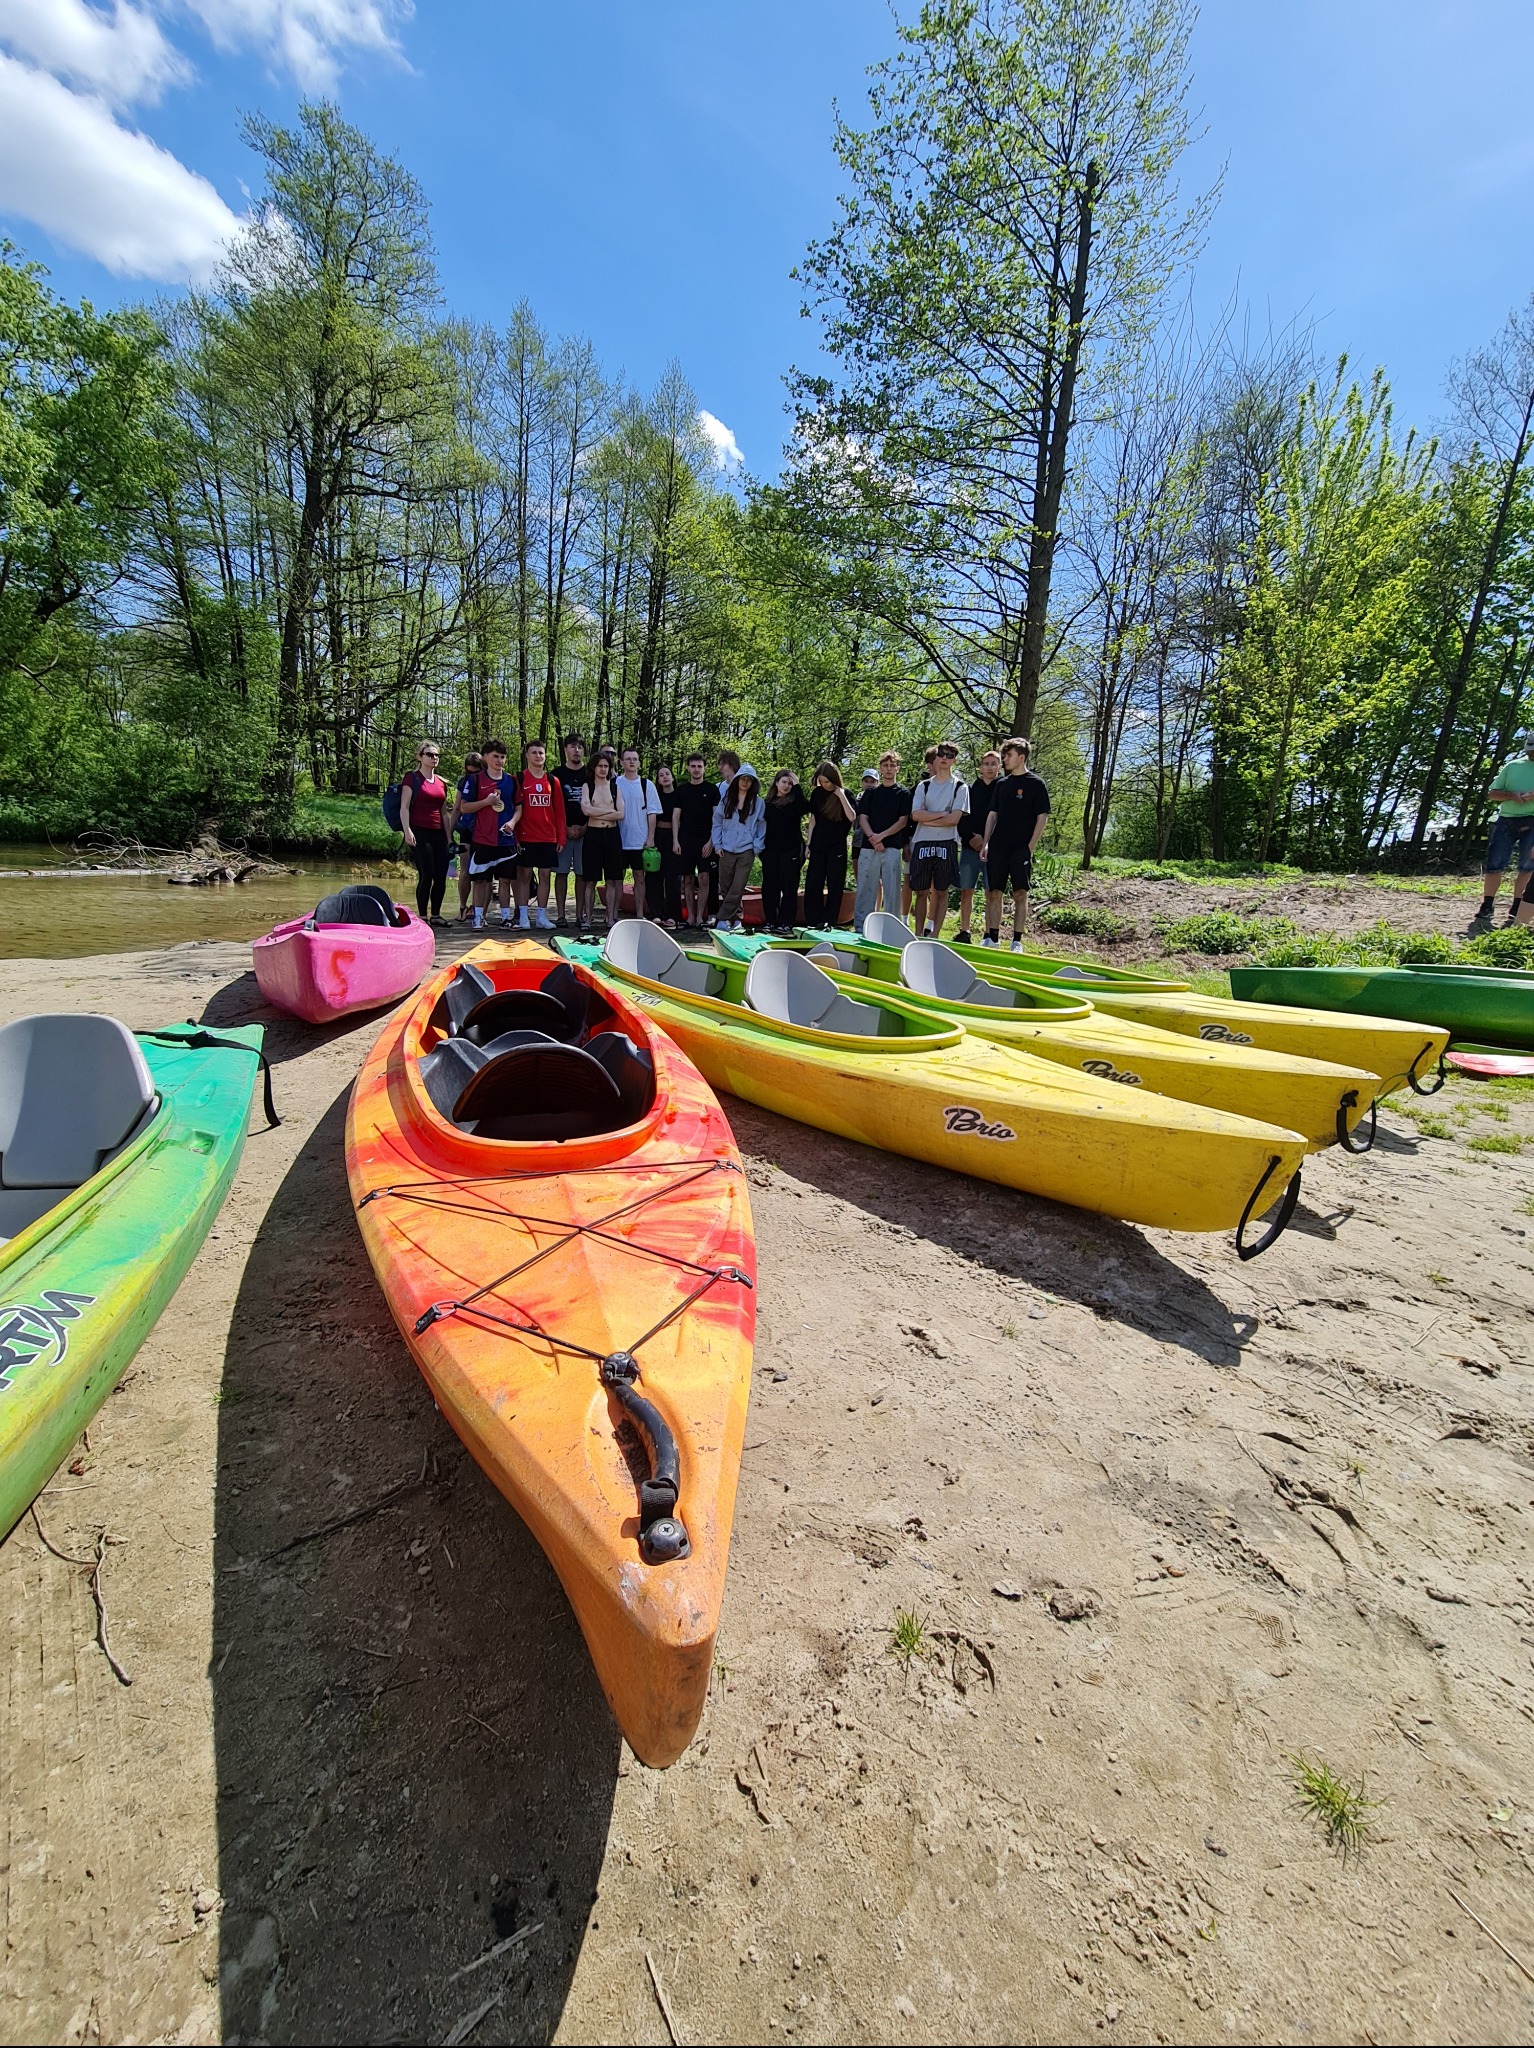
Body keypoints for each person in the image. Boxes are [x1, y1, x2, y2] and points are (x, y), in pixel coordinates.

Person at [980, 736, 1051, 948]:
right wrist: (985, 843)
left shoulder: (1036, 784)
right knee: (994, 893)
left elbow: (1042, 817)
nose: (1004, 759)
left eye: (1008, 755)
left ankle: (1017, 941)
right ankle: (992, 938)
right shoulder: (1001, 784)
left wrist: (1030, 847)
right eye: (1004, 754)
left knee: (1020, 893)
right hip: (998, 847)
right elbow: (992, 815)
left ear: (1021, 758)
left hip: (1021, 849)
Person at [908, 741, 969, 942]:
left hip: (947, 843)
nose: (945, 758)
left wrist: (930, 817)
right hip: (922, 842)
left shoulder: (960, 787)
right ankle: (918, 935)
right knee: (921, 891)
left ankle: (934, 936)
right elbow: (916, 815)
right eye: (942, 754)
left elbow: (954, 820)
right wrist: (942, 814)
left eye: (950, 755)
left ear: (955, 760)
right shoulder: (923, 786)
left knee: (941, 891)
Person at [1474, 731, 1534, 927]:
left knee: (1527, 867)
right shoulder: (1513, 766)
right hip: (1506, 820)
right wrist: (1512, 795)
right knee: (1494, 865)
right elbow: (1492, 794)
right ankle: (1487, 904)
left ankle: (1517, 906)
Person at [462, 740, 522, 931]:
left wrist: (512, 823)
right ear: (486, 756)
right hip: (482, 838)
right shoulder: (475, 780)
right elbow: (464, 807)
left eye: (503, 757)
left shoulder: (511, 780)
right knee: (481, 880)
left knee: (505, 880)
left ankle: (505, 918)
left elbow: (519, 808)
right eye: (495, 756)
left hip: (506, 839)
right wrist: (486, 802)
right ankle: (478, 918)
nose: (499, 760)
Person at [511, 739, 566, 930]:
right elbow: (514, 810)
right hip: (526, 836)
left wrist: (561, 837)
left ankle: (542, 916)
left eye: (541, 753)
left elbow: (559, 812)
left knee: (545, 875)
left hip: (548, 837)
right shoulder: (518, 779)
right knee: (524, 876)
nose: (538, 756)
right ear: (527, 755)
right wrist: (515, 838)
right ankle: (523, 916)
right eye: (534, 752)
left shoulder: (553, 781)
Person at [853, 752, 911, 933]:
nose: (888, 769)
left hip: (892, 847)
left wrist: (881, 837)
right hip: (869, 848)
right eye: (885, 766)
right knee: (865, 888)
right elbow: (862, 818)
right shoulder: (871, 794)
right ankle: (862, 927)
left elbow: (902, 821)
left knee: (892, 890)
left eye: (892, 766)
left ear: (897, 769)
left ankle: (891, 929)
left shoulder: (903, 793)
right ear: (881, 768)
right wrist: (873, 837)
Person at [399, 741, 450, 923]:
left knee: (441, 875)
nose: (434, 758)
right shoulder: (412, 778)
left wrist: (449, 838)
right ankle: (422, 916)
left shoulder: (441, 783)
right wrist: (407, 831)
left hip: (439, 834)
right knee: (426, 874)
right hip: (419, 831)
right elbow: (404, 807)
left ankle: (435, 915)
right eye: (429, 754)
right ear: (420, 757)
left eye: (436, 755)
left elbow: (444, 812)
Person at [803, 764, 857, 928]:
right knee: (813, 883)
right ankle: (813, 920)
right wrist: (808, 843)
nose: (824, 785)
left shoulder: (846, 794)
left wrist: (840, 796)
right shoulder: (817, 794)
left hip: (836, 846)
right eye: (821, 782)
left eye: (827, 782)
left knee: (835, 884)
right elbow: (813, 820)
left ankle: (830, 920)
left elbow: (852, 817)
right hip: (818, 844)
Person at [957, 749, 1002, 943]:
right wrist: (971, 838)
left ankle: (989, 934)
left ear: (1000, 767)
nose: (990, 767)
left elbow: (1005, 819)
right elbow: (961, 817)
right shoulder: (969, 789)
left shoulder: (1003, 789)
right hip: (970, 848)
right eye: (986, 764)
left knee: (991, 892)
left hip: (995, 850)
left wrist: (988, 842)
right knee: (967, 890)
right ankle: (965, 931)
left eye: (994, 763)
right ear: (980, 767)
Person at [712, 770, 765, 932]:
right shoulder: (727, 800)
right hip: (726, 849)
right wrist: (717, 844)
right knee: (726, 887)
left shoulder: (758, 803)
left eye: (749, 780)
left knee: (738, 886)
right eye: (743, 779)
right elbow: (717, 822)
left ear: (753, 783)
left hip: (746, 850)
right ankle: (736, 920)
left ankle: (721, 919)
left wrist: (756, 847)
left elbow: (761, 825)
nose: (745, 782)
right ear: (737, 780)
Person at [579, 750, 626, 930]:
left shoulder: (615, 788)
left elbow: (621, 814)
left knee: (612, 879)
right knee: (590, 879)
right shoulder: (587, 786)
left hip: (612, 836)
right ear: (593, 767)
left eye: (606, 766)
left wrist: (596, 811)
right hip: (593, 834)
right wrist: (608, 813)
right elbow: (586, 810)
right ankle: (588, 919)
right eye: (600, 766)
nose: (603, 769)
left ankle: (610, 918)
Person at [672, 752, 718, 929]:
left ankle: (700, 917)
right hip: (685, 840)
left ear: (704, 768)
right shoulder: (682, 790)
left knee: (705, 878)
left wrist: (711, 841)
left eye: (700, 766)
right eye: (693, 766)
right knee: (688, 880)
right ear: (688, 767)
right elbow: (676, 817)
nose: (696, 769)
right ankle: (690, 917)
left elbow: (717, 818)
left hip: (706, 841)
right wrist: (675, 840)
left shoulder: (712, 790)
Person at [761, 769, 810, 931]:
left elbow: (805, 808)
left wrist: (797, 786)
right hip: (770, 851)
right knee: (770, 886)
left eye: (790, 783)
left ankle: (786, 922)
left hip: (792, 850)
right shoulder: (766, 803)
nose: (786, 786)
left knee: (789, 887)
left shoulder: (795, 801)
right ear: (776, 783)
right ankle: (770, 921)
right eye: (784, 782)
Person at [615, 747, 661, 918]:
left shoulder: (647, 785)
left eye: (635, 759)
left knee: (639, 878)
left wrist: (650, 837)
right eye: (628, 759)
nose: (631, 762)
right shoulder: (615, 783)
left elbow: (652, 813)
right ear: (621, 762)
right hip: (619, 840)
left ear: (639, 762)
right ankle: (613, 915)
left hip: (640, 841)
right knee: (616, 879)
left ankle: (640, 914)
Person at [553, 734, 590, 931]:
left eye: (580, 747)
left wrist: (584, 827)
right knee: (561, 873)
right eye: (572, 746)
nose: (576, 750)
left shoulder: (590, 773)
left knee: (582, 874)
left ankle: (579, 915)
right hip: (563, 832)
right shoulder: (556, 774)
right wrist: (565, 828)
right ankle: (560, 915)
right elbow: (552, 807)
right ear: (566, 749)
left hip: (587, 830)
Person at [704, 748, 742, 922]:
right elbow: (715, 818)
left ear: (731, 765)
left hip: (740, 840)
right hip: (721, 841)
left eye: (722, 765)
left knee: (737, 880)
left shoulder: (744, 784)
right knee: (722, 879)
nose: (720, 769)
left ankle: (737, 916)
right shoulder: (718, 788)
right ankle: (722, 916)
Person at [448, 750, 484, 922]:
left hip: (485, 830)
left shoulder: (490, 780)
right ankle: (462, 907)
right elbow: (456, 808)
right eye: (469, 772)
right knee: (465, 870)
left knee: (484, 874)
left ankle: (479, 912)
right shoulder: (464, 782)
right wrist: (448, 835)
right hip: (467, 830)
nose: (473, 776)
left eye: (476, 772)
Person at [654, 763, 685, 927]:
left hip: (675, 838)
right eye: (661, 775)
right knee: (655, 877)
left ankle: (673, 915)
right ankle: (656, 914)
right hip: (657, 837)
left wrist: (676, 841)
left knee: (673, 878)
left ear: (672, 777)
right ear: (658, 780)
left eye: (667, 773)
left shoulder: (680, 795)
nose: (665, 777)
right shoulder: (655, 795)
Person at [850, 768, 878, 880]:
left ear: (877, 783)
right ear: (862, 783)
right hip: (858, 841)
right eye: (866, 781)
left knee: (876, 877)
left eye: (872, 781)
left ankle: (878, 898)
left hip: (875, 841)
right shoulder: (855, 800)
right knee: (859, 876)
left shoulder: (880, 799)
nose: (869, 784)